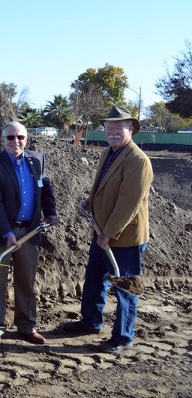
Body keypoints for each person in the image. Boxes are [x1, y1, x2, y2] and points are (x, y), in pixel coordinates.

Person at [63, 106, 153, 353]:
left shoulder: (137, 160)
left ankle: (123, 337)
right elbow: (103, 186)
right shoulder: (108, 153)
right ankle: (90, 322)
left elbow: (129, 204)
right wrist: (90, 202)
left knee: (125, 287)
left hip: (123, 237)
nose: (112, 132)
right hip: (101, 230)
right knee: (94, 280)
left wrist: (108, 234)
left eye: (118, 128)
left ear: (131, 129)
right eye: (109, 128)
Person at [0, 121, 59, 345]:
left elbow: (46, 188)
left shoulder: (37, 160)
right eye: (11, 137)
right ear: (2, 140)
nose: (16, 141)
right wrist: (6, 233)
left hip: (29, 232)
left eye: (20, 137)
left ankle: (27, 326)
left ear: (26, 139)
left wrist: (50, 212)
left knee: (26, 280)